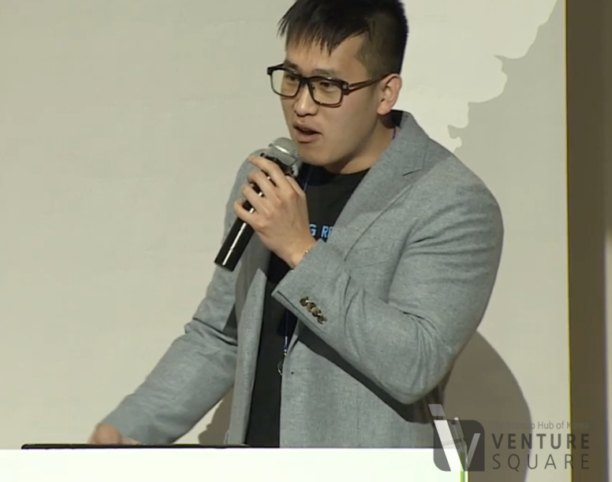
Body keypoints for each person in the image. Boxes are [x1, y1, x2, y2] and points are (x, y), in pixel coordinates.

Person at [89, 0, 504, 448]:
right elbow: (220, 335)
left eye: (327, 86)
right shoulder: (271, 176)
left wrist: (300, 251)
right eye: (292, 79)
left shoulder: (451, 202)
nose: (302, 106)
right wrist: (129, 428)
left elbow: (416, 364)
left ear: (386, 93)